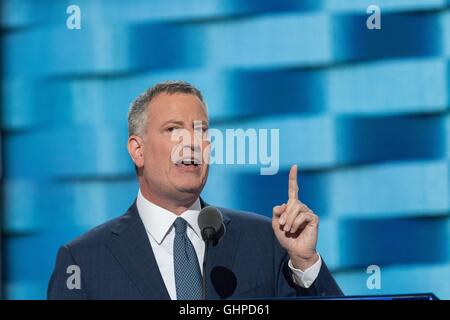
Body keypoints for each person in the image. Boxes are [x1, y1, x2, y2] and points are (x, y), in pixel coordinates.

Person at [48, 81, 342, 299]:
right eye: (174, 130)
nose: (191, 143)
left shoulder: (266, 241)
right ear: (138, 151)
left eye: (200, 131)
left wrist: (305, 263)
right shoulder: (83, 262)